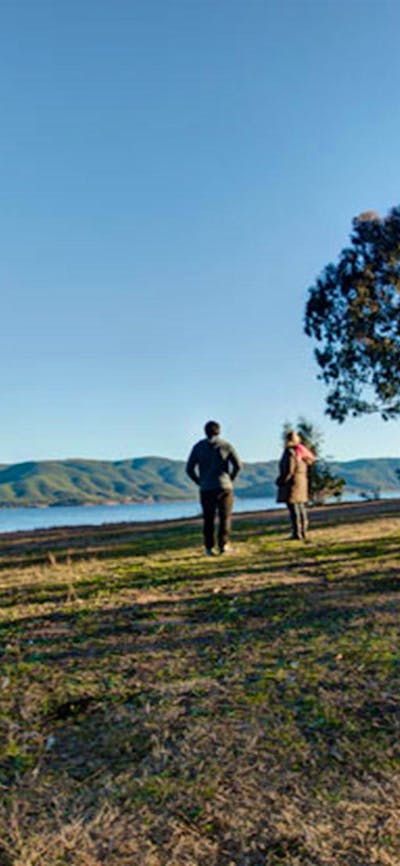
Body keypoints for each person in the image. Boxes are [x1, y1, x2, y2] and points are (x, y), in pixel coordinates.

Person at [186, 420, 241, 555]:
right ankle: (224, 545)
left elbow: (189, 469)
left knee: (208, 518)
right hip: (224, 486)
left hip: (206, 487)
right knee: (225, 517)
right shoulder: (226, 446)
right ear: (219, 431)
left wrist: (199, 481)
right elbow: (238, 465)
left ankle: (209, 548)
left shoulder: (198, 447)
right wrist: (230, 479)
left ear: (205, 432)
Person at [276, 431, 315, 540]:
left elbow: (289, 469)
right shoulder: (302, 451)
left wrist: (281, 480)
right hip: (302, 482)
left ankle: (297, 532)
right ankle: (303, 531)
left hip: (292, 483)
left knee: (294, 508)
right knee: (301, 507)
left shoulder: (289, 452)